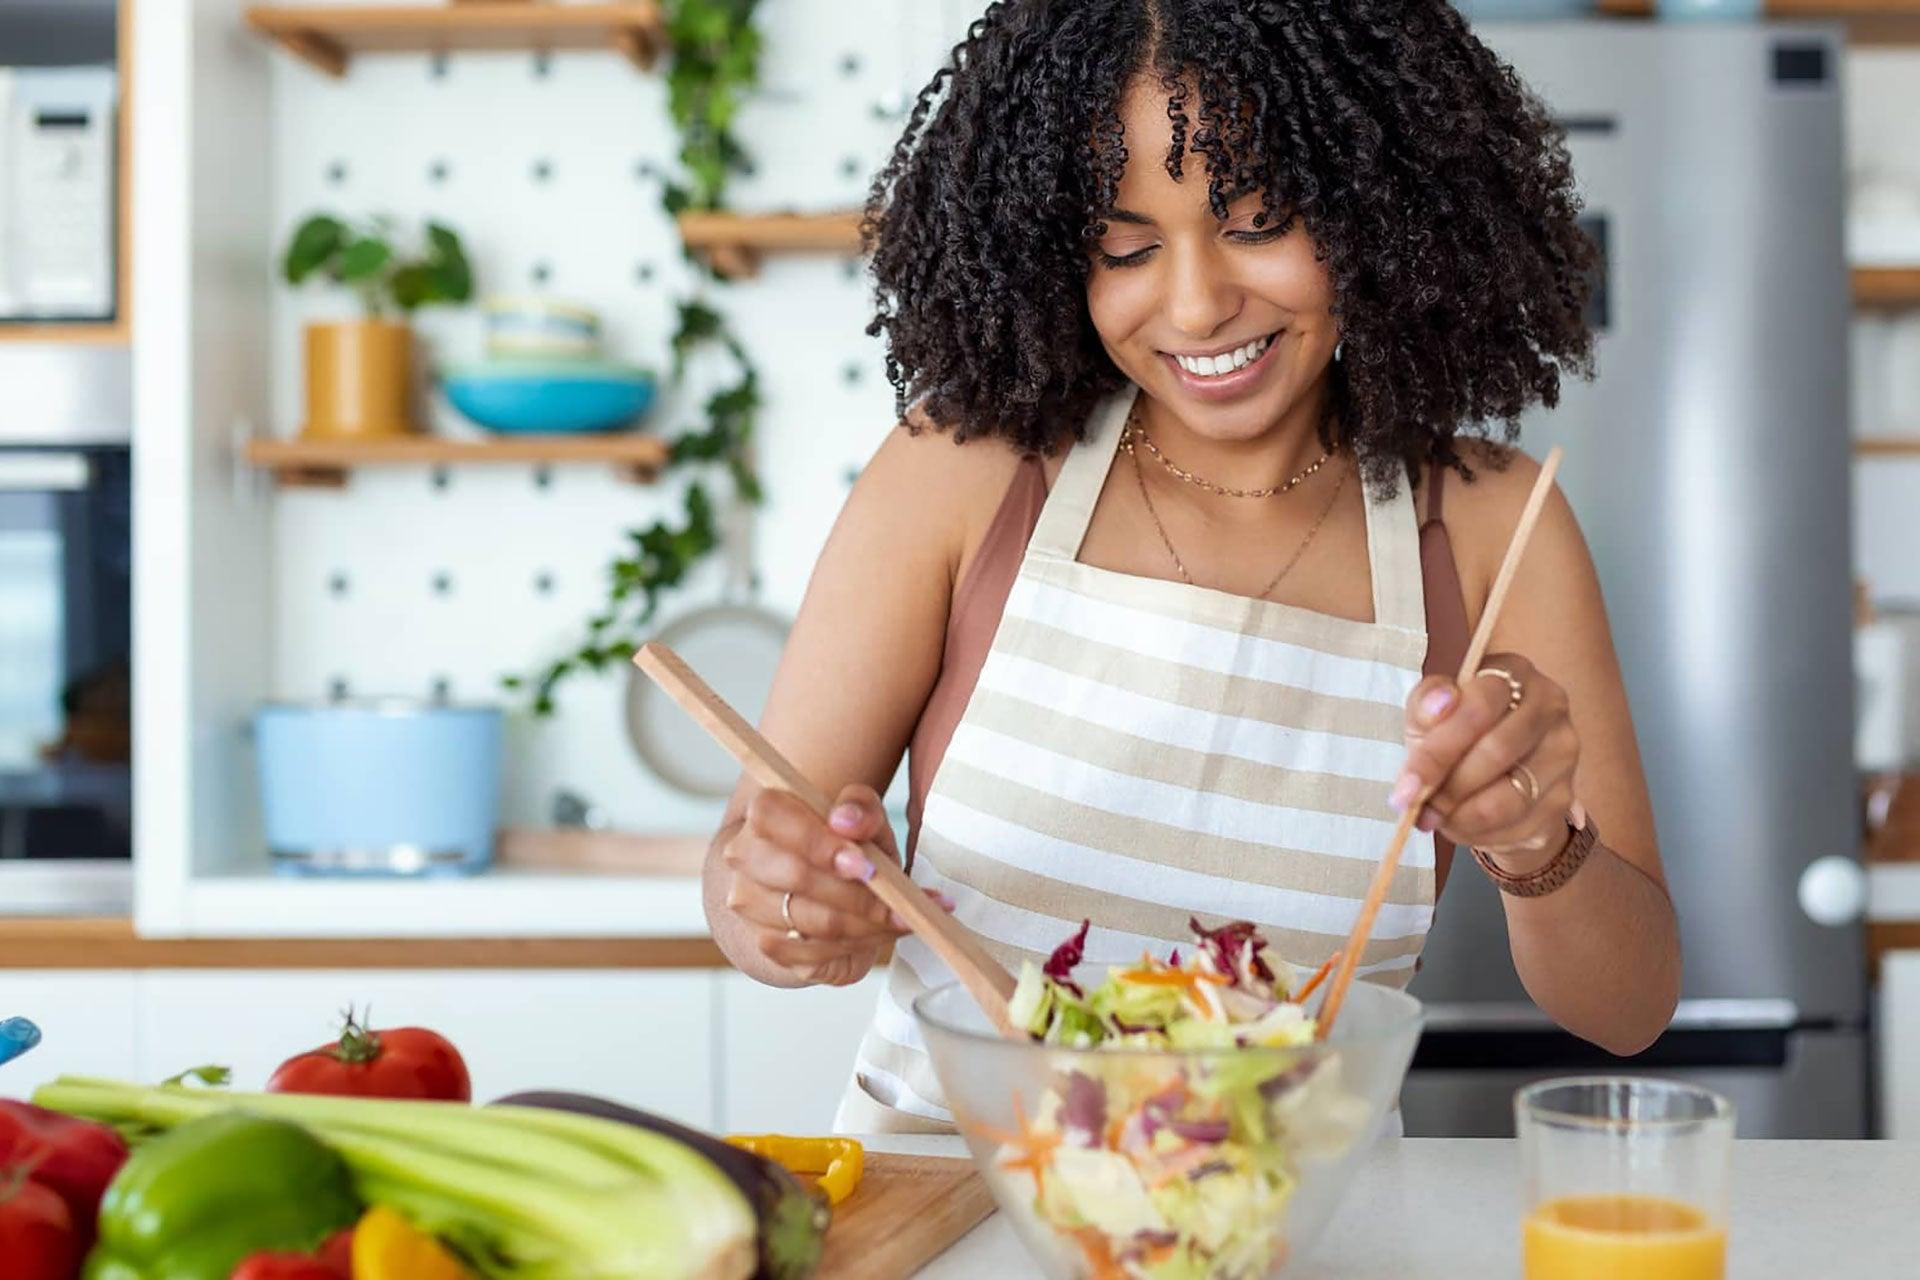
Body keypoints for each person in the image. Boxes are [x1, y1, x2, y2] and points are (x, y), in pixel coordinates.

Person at [703, 0, 1681, 1133]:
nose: (1196, 302)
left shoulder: (1489, 524)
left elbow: (1631, 1008)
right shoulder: (967, 471)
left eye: (1258, 222)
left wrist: (1533, 841)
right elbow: (751, 865)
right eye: (1126, 247)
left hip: (1297, 1225)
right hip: (956, 1217)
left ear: (1382, 210)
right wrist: (785, 903)